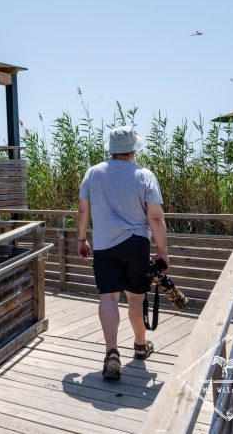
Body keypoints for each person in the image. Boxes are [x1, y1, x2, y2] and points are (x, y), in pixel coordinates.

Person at [76, 125, 169, 380]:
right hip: (136, 243)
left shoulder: (93, 173)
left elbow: (83, 210)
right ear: (132, 149)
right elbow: (156, 217)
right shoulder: (144, 175)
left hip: (104, 245)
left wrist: (82, 239)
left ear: (112, 149)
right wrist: (162, 251)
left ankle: (112, 353)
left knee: (108, 298)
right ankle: (140, 346)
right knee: (136, 298)